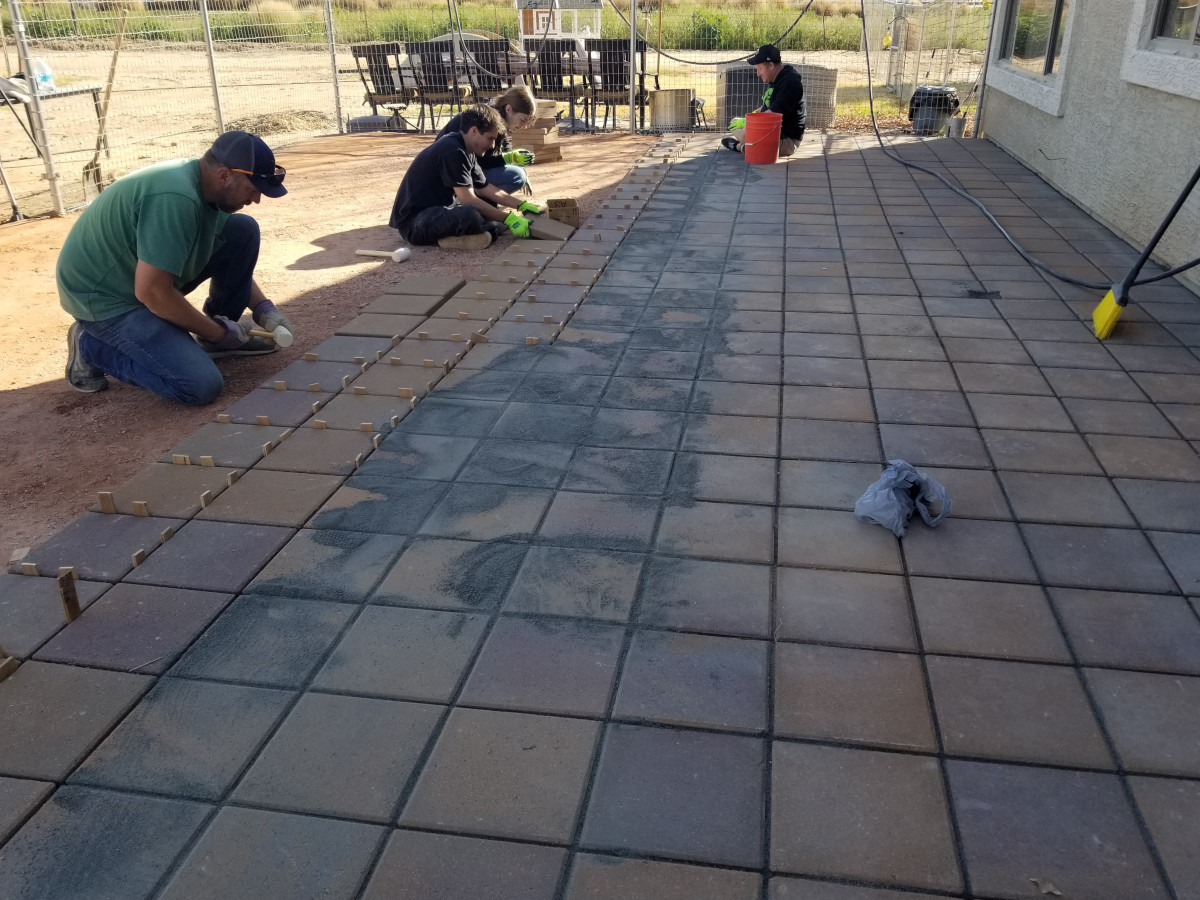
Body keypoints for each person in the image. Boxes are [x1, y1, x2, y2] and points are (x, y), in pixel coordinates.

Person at [59, 130, 291, 405]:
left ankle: (214, 336)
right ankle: (90, 346)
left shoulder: (206, 187)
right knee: (199, 385)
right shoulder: (176, 198)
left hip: (140, 277)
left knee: (242, 230)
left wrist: (264, 308)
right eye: (253, 190)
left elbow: (221, 250)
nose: (256, 200)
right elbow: (152, 293)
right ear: (225, 175)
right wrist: (219, 333)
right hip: (106, 299)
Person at [389, 103, 543, 252]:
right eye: (490, 138)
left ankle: (481, 231)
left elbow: (485, 188)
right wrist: (509, 219)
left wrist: (521, 205)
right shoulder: (452, 150)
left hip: (439, 210)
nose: (492, 146)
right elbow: (468, 200)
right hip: (415, 223)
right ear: (474, 131)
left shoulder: (468, 149)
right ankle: (458, 236)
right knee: (470, 214)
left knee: (483, 213)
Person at [436, 84, 538, 194]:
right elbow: (478, 161)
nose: (523, 126)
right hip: (449, 174)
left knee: (518, 171)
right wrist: (508, 159)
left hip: (460, 168)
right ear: (508, 109)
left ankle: (481, 199)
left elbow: (504, 147)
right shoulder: (489, 121)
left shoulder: (497, 115)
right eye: (522, 120)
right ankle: (481, 201)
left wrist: (516, 163)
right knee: (516, 176)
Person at [722, 44, 806, 158]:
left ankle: (739, 147)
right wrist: (747, 119)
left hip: (785, 140)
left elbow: (772, 115)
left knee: (746, 133)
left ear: (771, 65)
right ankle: (747, 145)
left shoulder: (790, 83)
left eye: (760, 69)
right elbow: (766, 107)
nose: (758, 74)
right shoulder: (777, 79)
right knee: (734, 122)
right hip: (770, 131)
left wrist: (750, 124)